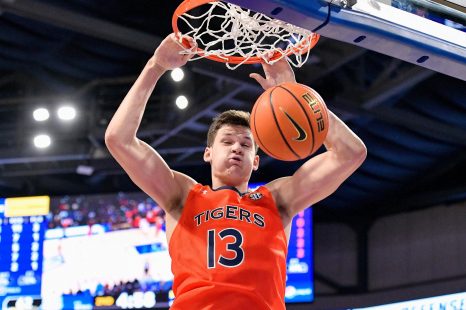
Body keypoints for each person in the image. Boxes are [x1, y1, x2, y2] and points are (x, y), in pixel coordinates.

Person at [105, 33, 367, 309]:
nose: (237, 148)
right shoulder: (182, 195)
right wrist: (155, 67)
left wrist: (296, 93)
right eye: (227, 141)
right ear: (208, 153)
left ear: (256, 161)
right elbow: (118, 140)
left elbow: (351, 153)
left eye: (246, 144)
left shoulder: (277, 199)